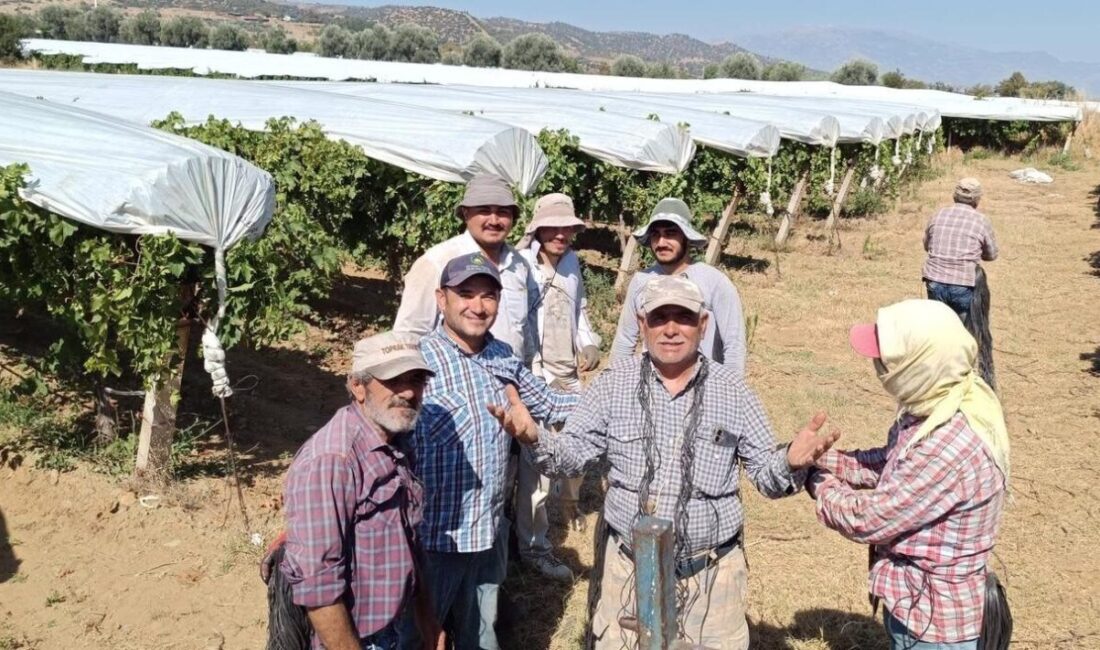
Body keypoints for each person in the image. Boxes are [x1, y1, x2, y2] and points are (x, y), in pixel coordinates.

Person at [491, 275, 839, 650]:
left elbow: (767, 478)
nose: (671, 329)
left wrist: (788, 461)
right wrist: (534, 437)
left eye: (683, 318)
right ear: (642, 325)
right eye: (659, 318)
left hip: (710, 577)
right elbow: (570, 457)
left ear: (703, 325)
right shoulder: (613, 386)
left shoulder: (733, 391)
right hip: (627, 571)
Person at [808, 299, 1010, 650]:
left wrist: (816, 482)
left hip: (936, 625)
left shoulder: (947, 446)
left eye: (885, 361)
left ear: (917, 367)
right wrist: (828, 460)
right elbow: (893, 464)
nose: (877, 367)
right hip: (915, 605)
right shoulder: (942, 401)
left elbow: (870, 518)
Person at [402, 252, 578, 650]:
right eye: (465, 293)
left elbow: (550, 405)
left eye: (489, 296)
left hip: (488, 535)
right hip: (434, 539)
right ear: (441, 298)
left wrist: (615, 396)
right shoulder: (418, 363)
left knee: (480, 637)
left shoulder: (501, 356)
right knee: (416, 638)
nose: (478, 307)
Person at [278, 332, 437, 650]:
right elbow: (318, 586)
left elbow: (409, 540)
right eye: (393, 380)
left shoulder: (396, 441)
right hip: (353, 638)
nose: (408, 391)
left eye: (416, 379)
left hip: (390, 626)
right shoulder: (333, 460)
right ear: (358, 386)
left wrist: (428, 622)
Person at [516, 193, 602, 574]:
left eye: (566, 227)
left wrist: (588, 341)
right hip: (535, 374)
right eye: (553, 226)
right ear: (538, 229)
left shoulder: (571, 263)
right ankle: (534, 545)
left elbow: (579, 310)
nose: (560, 234)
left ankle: (568, 503)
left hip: (566, 372)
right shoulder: (520, 266)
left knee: (578, 445)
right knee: (534, 462)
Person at [394, 173, 538, 361]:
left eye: (503, 212)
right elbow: (410, 335)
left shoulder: (519, 264)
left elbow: (522, 329)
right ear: (465, 213)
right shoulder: (436, 262)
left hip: (512, 380)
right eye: (484, 210)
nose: (494, 220)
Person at [610, 197, 747, 377]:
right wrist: (615, 385)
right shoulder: (640, 281)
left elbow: (734, 344)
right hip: (653, 387)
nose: (661, 243)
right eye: (656, 235)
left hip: (703, 386)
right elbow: (625, 341)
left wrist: (730, 392)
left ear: (686, 237)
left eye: (670, 234)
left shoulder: (714, 282)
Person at [922, 178, 998, 326]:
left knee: (938, 327)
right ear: (977, 200)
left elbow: (927, 245)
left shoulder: (938, 215)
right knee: (963, 330)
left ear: (954, 196)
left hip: (934, 282)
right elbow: (992, 255)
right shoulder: (981, 221)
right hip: (963, 284)